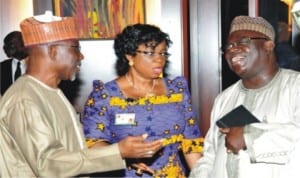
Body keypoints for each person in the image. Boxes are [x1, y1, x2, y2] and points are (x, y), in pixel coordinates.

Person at [0, 11, 163, 177]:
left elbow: (71, 152)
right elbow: (48, 164)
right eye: (76, 48)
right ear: (53, 51)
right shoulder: (24, 100)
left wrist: (121, 157)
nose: (81, 56)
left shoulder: (50, 92)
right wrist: (117, 152)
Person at [82, 23, 204, 177]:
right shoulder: (105, 95)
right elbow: (93, 144)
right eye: (151, 53)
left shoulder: (177, 91)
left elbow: (191, 144)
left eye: (163, 53)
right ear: (129, 55)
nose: (159, 60)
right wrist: (122, 154)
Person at [189, 16, 300, 178]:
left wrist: (250, 136)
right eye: (229, 46)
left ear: (268, 46)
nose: (233, 49)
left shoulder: (295, 86)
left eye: (243, 41)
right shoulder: (224, 98)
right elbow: (210, 156)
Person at [1, 31, 28, 96]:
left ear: (23, 44)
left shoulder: (38, 66)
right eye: (5, 45)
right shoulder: (2, 67)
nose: (4, 48)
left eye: (11, 44)